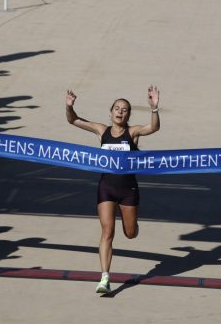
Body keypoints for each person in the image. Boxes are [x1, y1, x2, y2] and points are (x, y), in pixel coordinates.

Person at [65, 86, 160, 293]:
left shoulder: (132, 132)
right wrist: (69, 106)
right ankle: (104, 278)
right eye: (117, 108)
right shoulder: (102, 131)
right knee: (107, 231)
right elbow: (73, 120)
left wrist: (154, 108)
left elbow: (153, 128)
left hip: (128, 190)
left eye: (124, 109)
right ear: (110, 111)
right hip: (106, 189)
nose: (120, 111)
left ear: (128, 114)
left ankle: (132, 225)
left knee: (130, 233)